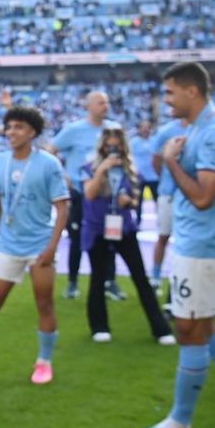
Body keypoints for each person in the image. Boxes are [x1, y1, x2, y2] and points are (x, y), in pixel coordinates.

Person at [134, 62, 215, 428]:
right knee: (201, 327)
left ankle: (180, 421)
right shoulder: (198, 129)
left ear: (191, 91)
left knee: (191, 331)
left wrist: (171, 161)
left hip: (203, 246)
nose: (165, 100)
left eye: (170, 92)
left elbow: (204, 197)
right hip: (195, 244)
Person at [0, 106, 69, 385]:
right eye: (9, 127)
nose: (11, 132)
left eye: (18, 127)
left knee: (44, 303)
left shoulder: (48, 163)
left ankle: (44, 362)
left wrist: (52, 247)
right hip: (9, 244)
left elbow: (62, 208)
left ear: (32, 131)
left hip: (40, 246)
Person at [79, 127, 173, 344]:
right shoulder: (88, 169)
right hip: (97, 229)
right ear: (102, 146)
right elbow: (90, 194)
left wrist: (128, 202)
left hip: (124, 228)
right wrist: (101, 170)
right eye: (109, 144)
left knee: (140, 277)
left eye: (118, 145)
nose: (113, 149)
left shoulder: (131, 171)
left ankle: (160, 329)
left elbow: (136, 201)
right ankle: (99, 326)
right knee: (98, 278)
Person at [49, 91, 123, 300]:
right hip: (81, 194)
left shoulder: (113, 129)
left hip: (108, 194)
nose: (106, 106)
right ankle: (73, 282)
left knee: (111, 237)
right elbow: (50, 151)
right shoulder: (74, 130)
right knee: (77, 239)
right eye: (101, 102)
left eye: (107, 102)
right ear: (89, 106)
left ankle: (110, 281)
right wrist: (63, 177)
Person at [149, 117, 186, 291]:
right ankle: (156, 276)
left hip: (189, 195)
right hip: (169, 192)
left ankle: (182, 278)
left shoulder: (201, 129)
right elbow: (156, 160)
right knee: (164, 235)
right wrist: (166, 178)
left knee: (186, 240)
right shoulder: (167, 131)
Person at [130, 120, 158, 225]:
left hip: (153, 176)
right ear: (139, 129)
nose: (146, 130)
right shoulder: (134, 142)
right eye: (143, 127)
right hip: (139, 176)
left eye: (148, 127)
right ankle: (137, 221)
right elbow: (130, 157)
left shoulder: (155, 141)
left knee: (157, 200)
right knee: (138, 201)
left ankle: (161, 222)